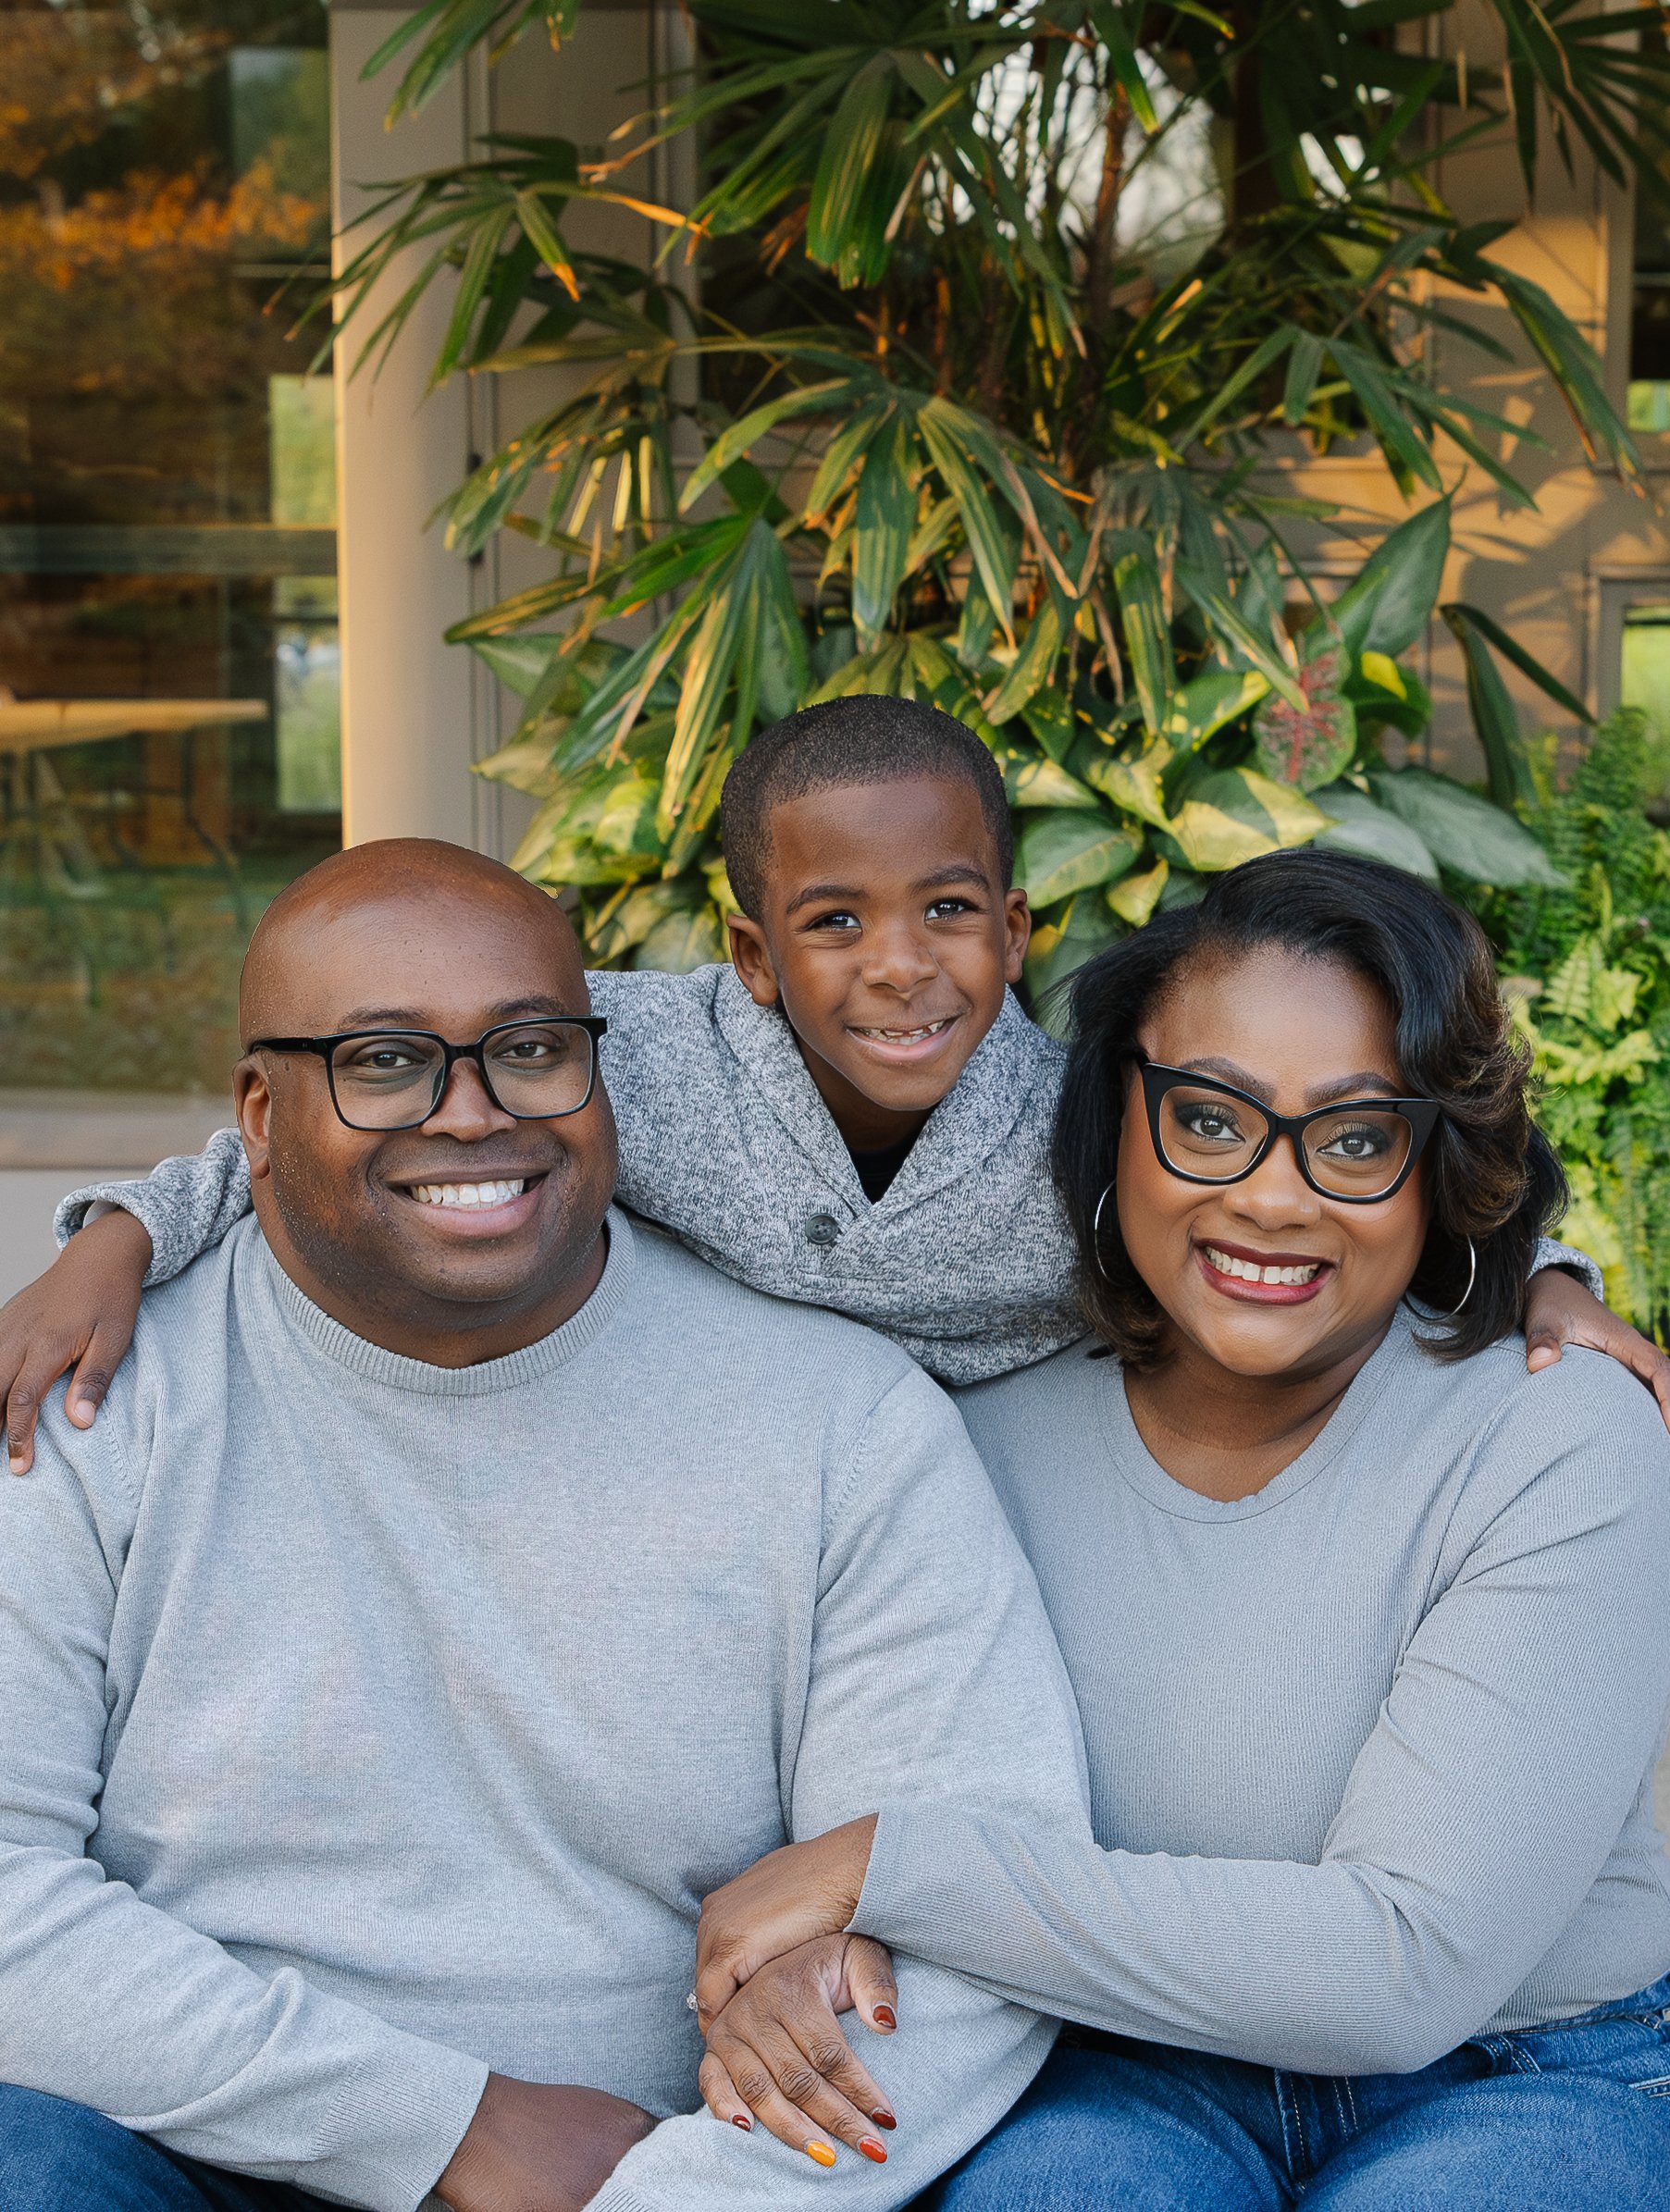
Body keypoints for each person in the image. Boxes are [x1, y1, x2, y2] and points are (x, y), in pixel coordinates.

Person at [0, 839, 1092, 2212]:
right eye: (384, 1060)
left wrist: (676, 2199)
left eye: (527, 1046)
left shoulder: (835, 1418)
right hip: (187, 2154)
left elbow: (970, 1897)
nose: (472, 1113)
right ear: (261, 1116)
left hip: (668, 2166)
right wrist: (442, 2128)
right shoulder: (88, 1398)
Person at [687, 850, 1670, 2209]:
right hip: (1134, 2064)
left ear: (1433, 1163)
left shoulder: (1561, 1431)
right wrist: (822, 1952)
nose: (1273, 1196)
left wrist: (883, 1872)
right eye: (1208, 1120)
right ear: (1115, 1122)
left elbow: (1403, 1974)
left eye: (1356, 1137)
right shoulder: (969, 1430)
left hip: (1528, 2069)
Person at [0, 702, 1656, 1460]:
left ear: (1016, 929)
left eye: (946, 912)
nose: (897, 966)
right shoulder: (618, 1060)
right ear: (747, 951)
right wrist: (114, 1240)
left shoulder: (1087, 1129)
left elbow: (1328, 1203)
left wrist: (1553, 1286)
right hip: (673, 1459)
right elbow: (347, 1116)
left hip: (962, 1513)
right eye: (832, 922)